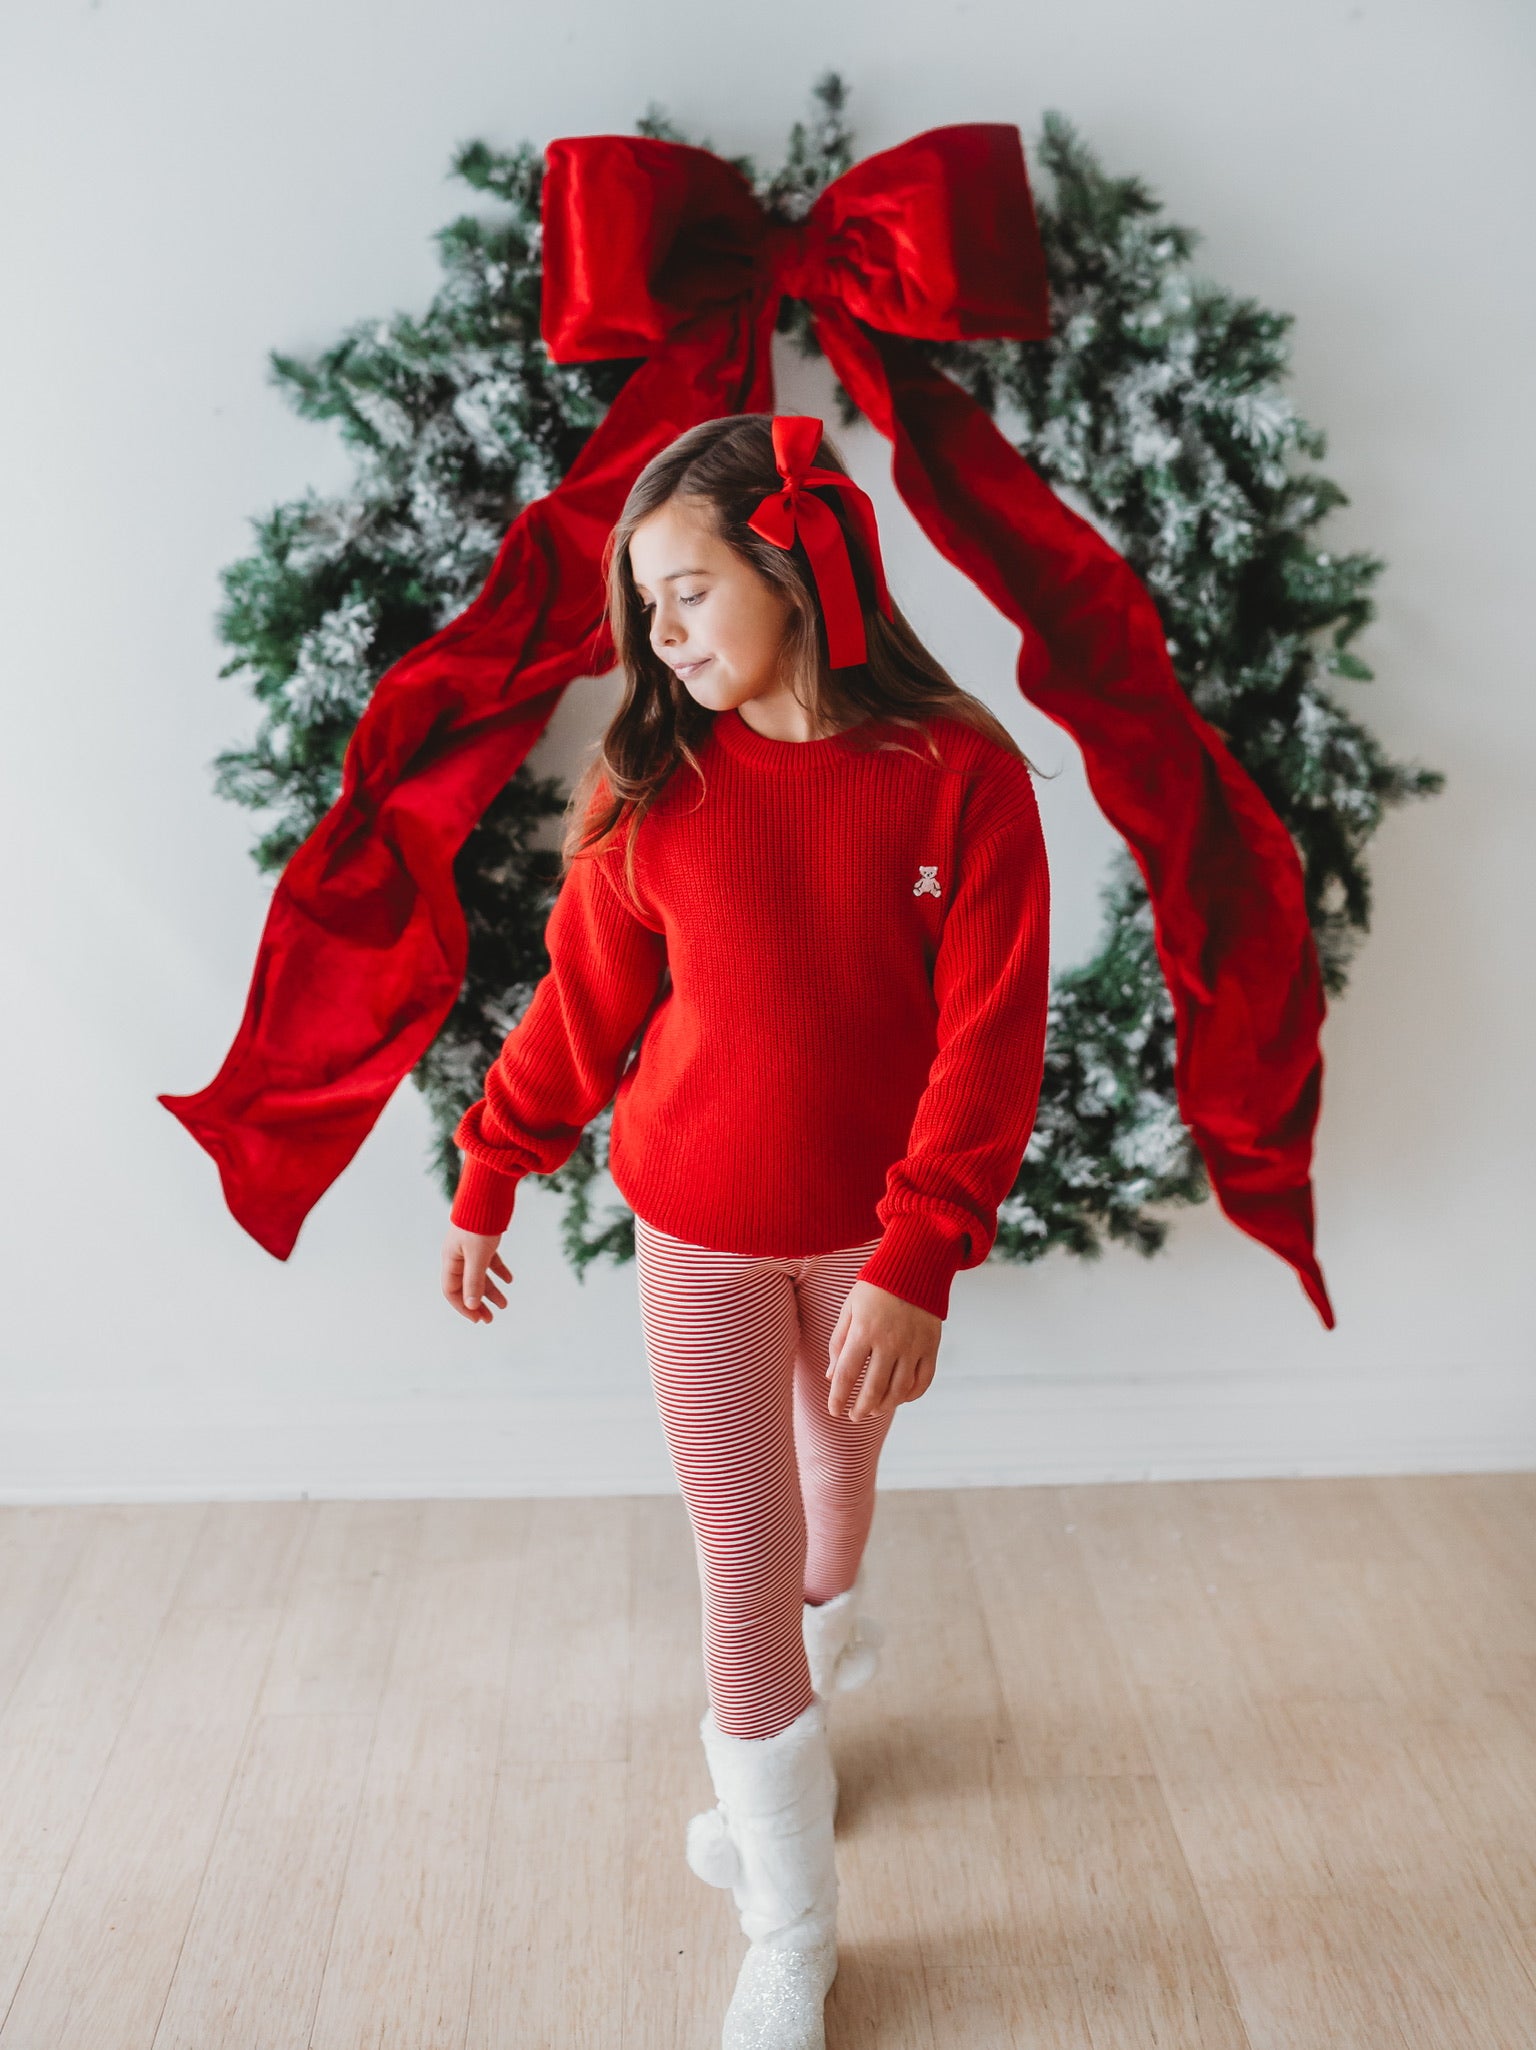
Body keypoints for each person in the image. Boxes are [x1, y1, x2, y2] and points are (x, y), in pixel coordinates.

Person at [438, 412, 1051, 2050]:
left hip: (869, 1244)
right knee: (743, 1551)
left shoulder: (961, 776)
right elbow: (581, 1008)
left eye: (688, 591)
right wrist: (494, 1162)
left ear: (795, 569)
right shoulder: (654, 781)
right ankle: (792, 1927)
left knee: (830, 1514)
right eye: (646, 605)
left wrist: (920, 1253)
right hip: (699, 1231)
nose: (661, 634)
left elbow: (991, 1038)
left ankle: (804, 1703)